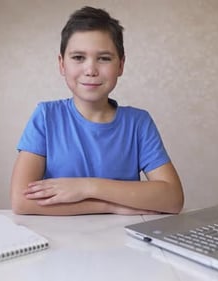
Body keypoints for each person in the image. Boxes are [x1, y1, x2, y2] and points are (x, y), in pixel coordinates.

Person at [10, 6, 184, 215]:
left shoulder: (138, 122)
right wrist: (108, 205)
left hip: (123, 242)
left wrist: (87, 187)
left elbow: (173, 199)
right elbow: (21, 201)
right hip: (60, 240)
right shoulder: (46, 116)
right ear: (61, 64)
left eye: (103, 58)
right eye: (78, 57)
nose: (91, 70)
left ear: (120, 64)